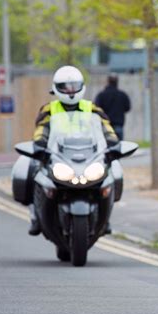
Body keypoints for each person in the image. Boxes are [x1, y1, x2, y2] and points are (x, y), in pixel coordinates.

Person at [28, 65, 118, 236]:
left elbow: (105, 126)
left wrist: (113, 142)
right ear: (56, 88)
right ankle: (35, 216)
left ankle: (105, 217)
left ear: (81, 86)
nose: (70, 90)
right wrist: (39, 143)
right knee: (30, 169)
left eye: (74, 86)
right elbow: (41, 129)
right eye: (65, 86)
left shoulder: (91, 108)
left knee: (114, 171)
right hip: (58, 155)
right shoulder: (49, 109)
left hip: (88, 155)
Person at [94, 73, 131, 140]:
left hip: (105, 127)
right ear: (117, 82)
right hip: (118, 126)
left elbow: (95, 109)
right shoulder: (122, 95)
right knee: (119, 148)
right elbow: (127, 108)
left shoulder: (101, 95)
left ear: (108, 81)